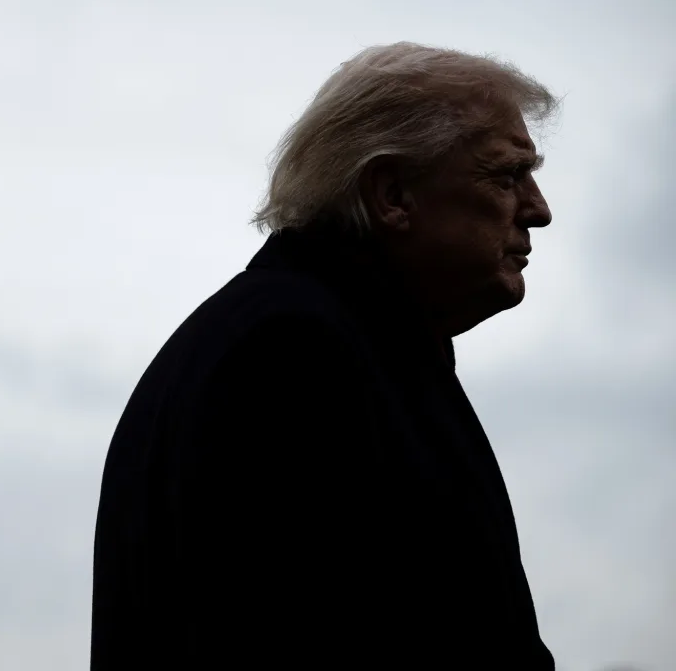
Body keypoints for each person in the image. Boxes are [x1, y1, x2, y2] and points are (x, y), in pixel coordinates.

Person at [90, 42, 557, 669]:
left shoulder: (331, 339)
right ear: (392, 195)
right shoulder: (292, 353)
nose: (538, 210)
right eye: (505, 176)